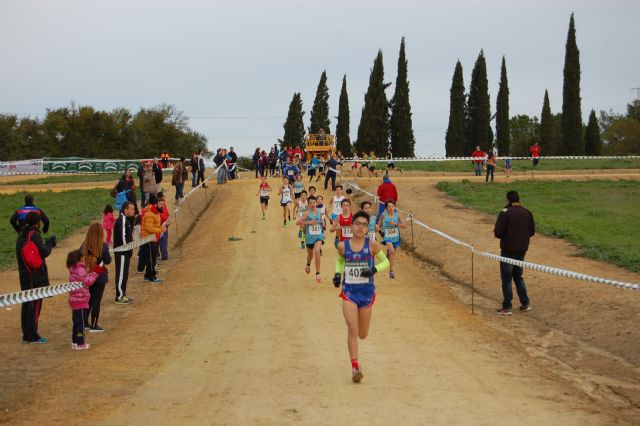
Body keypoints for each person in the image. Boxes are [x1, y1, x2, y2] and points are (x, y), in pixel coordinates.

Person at [333, 210, 390, 383]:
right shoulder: (343, 246)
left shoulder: (372, 245)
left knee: (362, 334)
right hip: (349, 291)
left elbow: (386, 262)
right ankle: (355, 367)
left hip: (366, 293)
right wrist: (337, 274)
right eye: (357, 223)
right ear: (351, 225)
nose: (360, 227)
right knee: (352, 327)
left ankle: (358, 343)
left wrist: (373, 269)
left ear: (367, 228)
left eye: (364, 225)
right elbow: (341, 261)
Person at [16, 212, 56, 344]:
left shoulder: (21, 235)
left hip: (24, 275)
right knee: (35, 304)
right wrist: (50, 243)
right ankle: (32, 335)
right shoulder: (35, 235)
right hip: (35, 275)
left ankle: (26, 334)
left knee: (26, 302)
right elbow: (44, 252)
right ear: (37, 222)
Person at [494, 191, 535, 315]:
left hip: (508, 250)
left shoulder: (505, 213)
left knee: (506, 279)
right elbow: (532, 232)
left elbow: (498, 233)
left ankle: (507, 307)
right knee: (518, 276)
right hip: (522, 250)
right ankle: (525, 303)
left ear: (508, 200)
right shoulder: (527, 212)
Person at [67, 249, 106, 350]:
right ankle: (80, 343)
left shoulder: (74, 269)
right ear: (79, 258)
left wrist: (92, 272)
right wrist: (96, 273)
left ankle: (75, 342)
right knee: (81, 324)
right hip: (81, 300)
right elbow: (87, 281)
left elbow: (85, 278)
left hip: (75, 301)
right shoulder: (79, 270)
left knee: (76, 323)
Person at [81, 223, 111, 333]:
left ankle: (85, 323)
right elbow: (108, 260)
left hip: (88, 276)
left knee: (87, 300)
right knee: (96, 300)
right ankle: (94, 325)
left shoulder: (84, 244)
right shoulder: (103, 246)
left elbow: (80, 256)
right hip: (99, 276)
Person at [298, 195, 324, 282]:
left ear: (316, 203)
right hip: (309, 238)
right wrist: (309, 222)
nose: (312, 204)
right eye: (310, 203)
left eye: (314, 202)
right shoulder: (307, 213)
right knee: (310, 256)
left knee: (317, 251)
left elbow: (321, 222)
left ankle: (318, 273)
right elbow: (298, 222)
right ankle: (308, 264)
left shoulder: (319, 212)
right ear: (308, 204)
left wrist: (323, 225)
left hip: (318, 236)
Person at [378, 200, 407, 279]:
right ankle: (391, 270)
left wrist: (396, 224)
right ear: (386, 208)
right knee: (392, 251)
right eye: (389, 206)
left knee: (392, 253)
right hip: (387, 236)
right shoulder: (384, 215)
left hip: (396, 237)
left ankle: (389, 253)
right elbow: (379, 223)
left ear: (394, 207)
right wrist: (379, 228)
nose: (390, 208)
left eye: (392, 206)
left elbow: (404, 226)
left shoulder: (398, 215)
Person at [113, 201, 135, 305]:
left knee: (124, 274)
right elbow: (123, 238)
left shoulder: (126, 220)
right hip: (122, 253)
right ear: (125, 210)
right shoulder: (121, 220)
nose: (133, 211)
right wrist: (128, 248)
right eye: (132, 209)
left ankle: (123, 294)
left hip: (125, 253)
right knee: (121, 274)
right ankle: (119, 296)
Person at [157, 193, 170, 261]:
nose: (162, 205)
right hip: (159, 226)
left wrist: (167, 222)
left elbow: (167, 215)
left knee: (163, 241)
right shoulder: (156, 209)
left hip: (164, 225)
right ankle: (163, 255)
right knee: (162, 241)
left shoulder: (164, 205)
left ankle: (163, 255)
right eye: (163, 196)